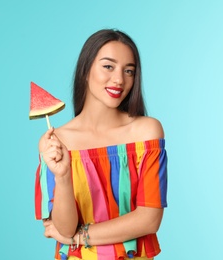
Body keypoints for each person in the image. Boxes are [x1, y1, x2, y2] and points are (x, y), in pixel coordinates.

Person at [34, 29, 168, 260]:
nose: (119, 79)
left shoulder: (146, 132)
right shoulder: (57, 141)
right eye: (108, 66)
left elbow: (149, 219)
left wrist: (79, 237)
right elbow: (63, 228)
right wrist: (63, 176)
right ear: (85, 70)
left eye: (129, 71)